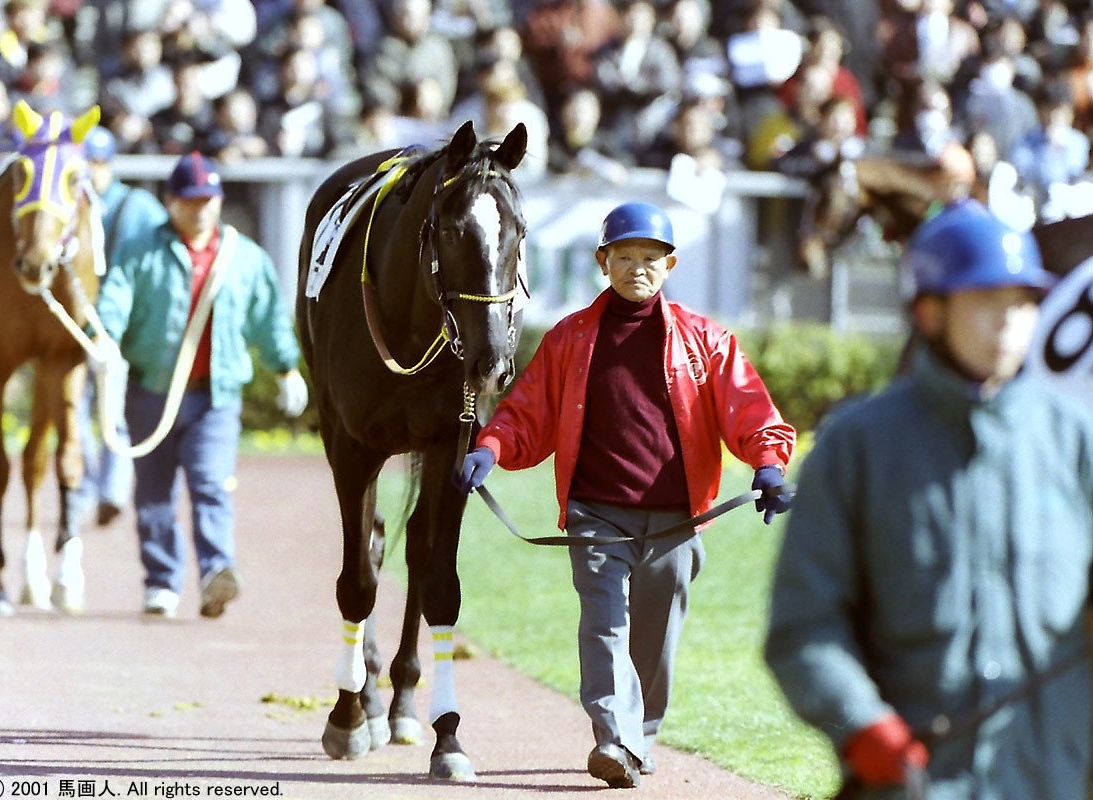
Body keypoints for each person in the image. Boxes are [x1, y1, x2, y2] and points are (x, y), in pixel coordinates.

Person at [456, 202, 797, 789]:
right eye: (624, 256)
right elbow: (527, 414)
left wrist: (767, 463)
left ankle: (641, 735)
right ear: (602, 261)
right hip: (596, 513)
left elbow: (750, 409)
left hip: (677, 520)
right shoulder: (570, 338)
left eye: (649, 258)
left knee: (655, 636)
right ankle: (614, 737)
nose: (637, 268)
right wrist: (490, 448)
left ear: (670, 265)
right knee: (605, 624)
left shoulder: (706, 340)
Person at [764, 200, 1093, 799]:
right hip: (911, 782)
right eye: (986, 302)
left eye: (1022, 305)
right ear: (929, 312)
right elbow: (803, 627)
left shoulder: (1074, 440)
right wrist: (859, 720)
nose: (1009, 324)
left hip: (1051, 777)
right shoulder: (856, 445)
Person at [95, 151, 309, 619]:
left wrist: (286, 367)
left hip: (216, 398)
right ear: (171, 202)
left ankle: (217, 572)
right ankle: (161, 582)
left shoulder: (244, 257)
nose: (200, 209)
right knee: (153, 493)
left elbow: (268, 318)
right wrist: (104, 342)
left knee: (211, 484)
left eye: (209, 200)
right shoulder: (140, 250)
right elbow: (114, 300)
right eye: (190, 200)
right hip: (151, 391)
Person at [77, 125, 169, 527]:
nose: (91, 171)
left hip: (120, 326)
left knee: (113, 407)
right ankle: (85, 488)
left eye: (97, 162)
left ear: (109, 164)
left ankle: (112, 490)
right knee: (75, 409)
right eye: (86, 163)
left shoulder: (137, 206)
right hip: (76, 322)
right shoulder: (65, 206)